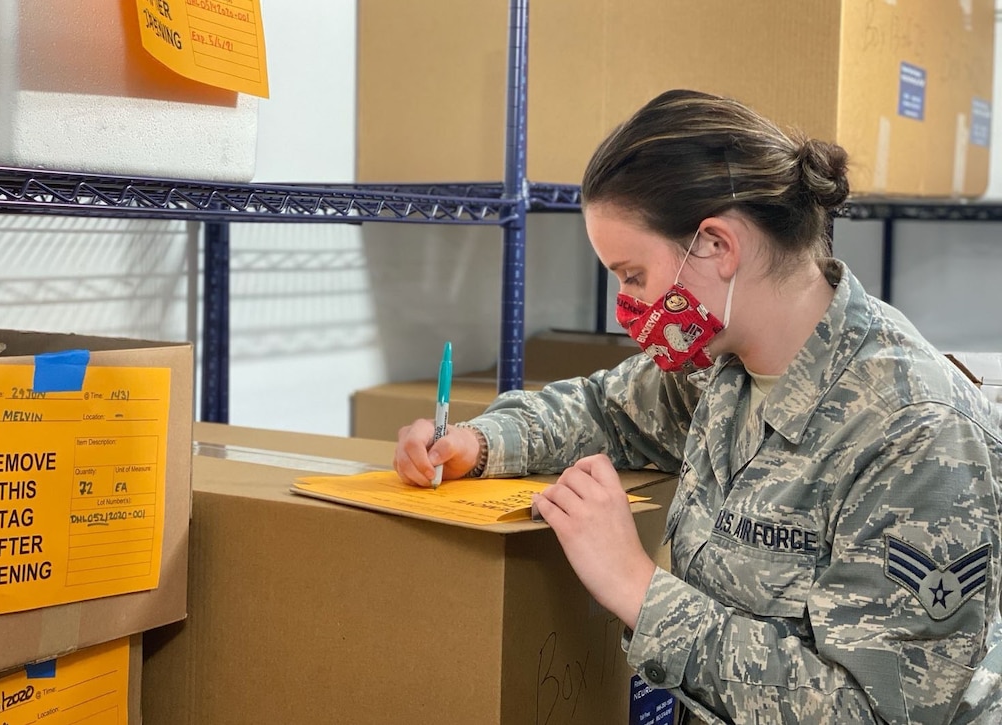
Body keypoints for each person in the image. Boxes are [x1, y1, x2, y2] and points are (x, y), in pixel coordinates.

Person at [393, 89, 1002, 724]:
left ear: (716, 245)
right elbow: (607, 411)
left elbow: (871, 715)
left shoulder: (916, 433)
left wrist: (635, 586)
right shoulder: (725, 365)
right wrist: (480, 443)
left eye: (632, 275)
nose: (626, 306)